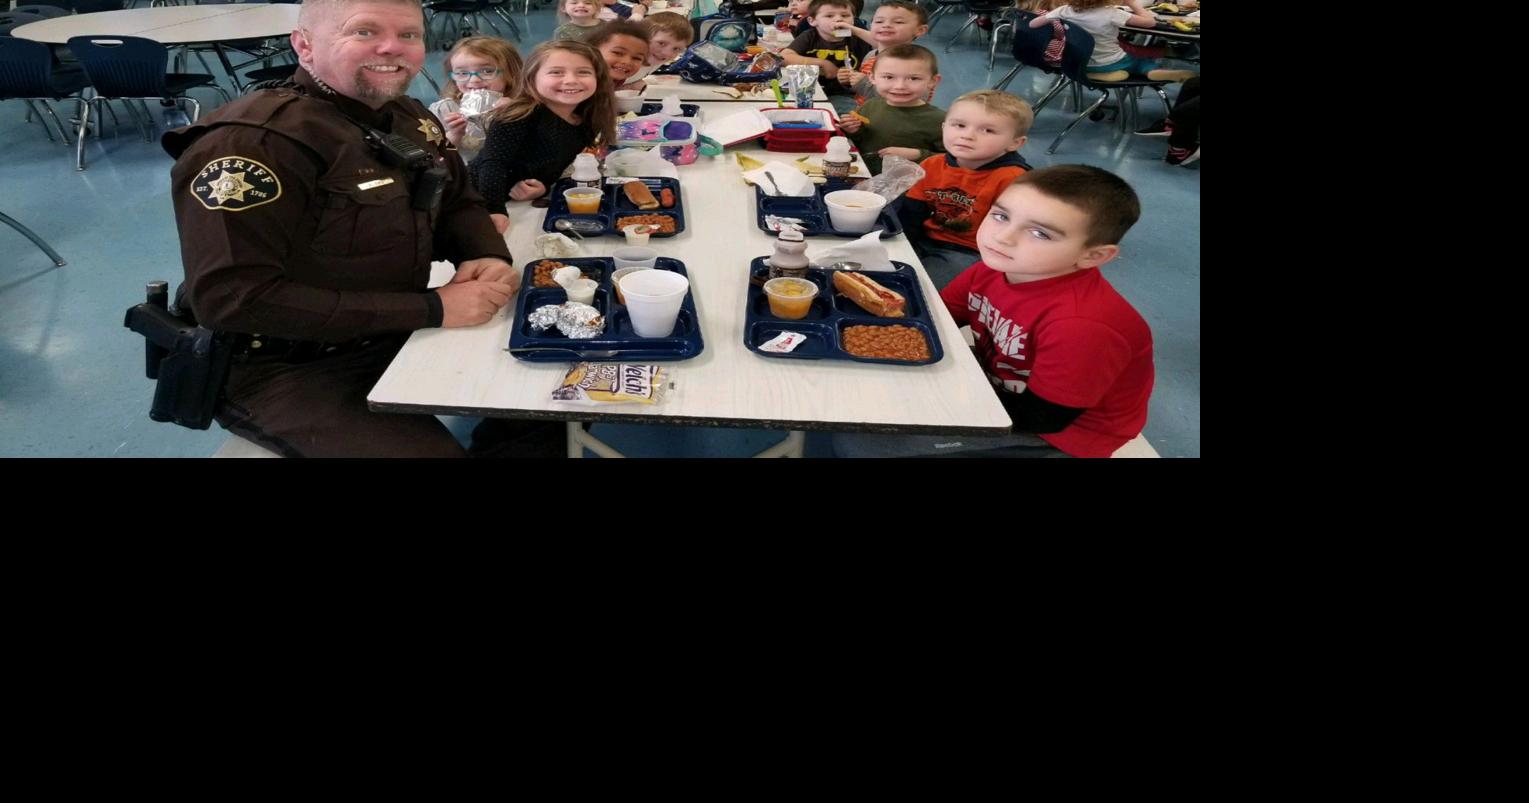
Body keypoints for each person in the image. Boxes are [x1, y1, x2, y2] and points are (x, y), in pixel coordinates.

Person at [162, 0, 521, 457]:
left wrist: (484, 254)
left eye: (408, 35)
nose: (392, 47)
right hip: (289, 365)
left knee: (547, 389)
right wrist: (432, 309)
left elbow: (456, 199)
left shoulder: (410, 117)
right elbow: (233, 298)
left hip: (394, 324)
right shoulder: (252, 145)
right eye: (364, 32)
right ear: (304, 45)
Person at [835, 166, 1154, 458]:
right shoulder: (991, 269)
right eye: (1001, 216)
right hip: (999, 382)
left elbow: (1044, 418)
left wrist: (930, 401)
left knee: (865, 442)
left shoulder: (1083, 326)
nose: (1003, 237)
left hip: (1060, 436)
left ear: (1094, 255)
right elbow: (934, 320)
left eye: (1040, 233)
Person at [430, 36, 522, 164]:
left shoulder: (522, 107)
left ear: (511, 74)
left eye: (487, 71)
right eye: (462, 73)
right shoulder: (445, 110)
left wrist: (517, 118)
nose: (474, 80)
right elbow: (436, 156)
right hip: (465, 177)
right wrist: (454, 134)